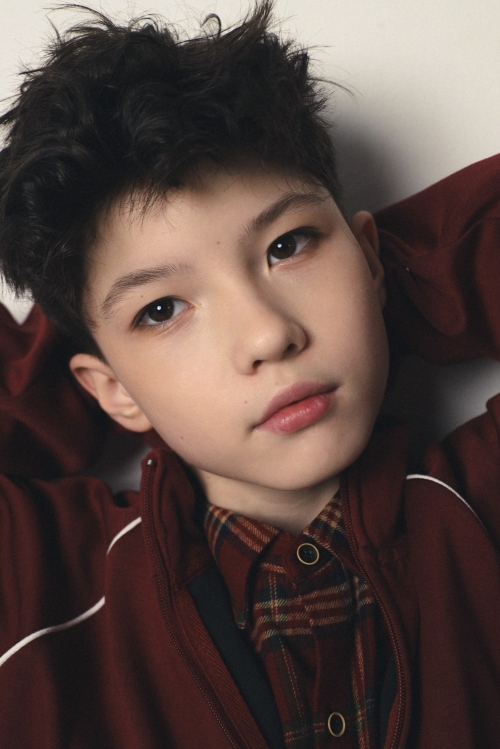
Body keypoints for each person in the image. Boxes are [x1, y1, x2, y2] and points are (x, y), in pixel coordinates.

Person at [0, 2, 499, 747]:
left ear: (368, 259)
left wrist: (393, 282)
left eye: (288, 246)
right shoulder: (39, 585)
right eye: (162, 309)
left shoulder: (482, 510)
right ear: (109, 389)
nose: (268, 334)